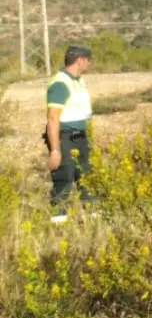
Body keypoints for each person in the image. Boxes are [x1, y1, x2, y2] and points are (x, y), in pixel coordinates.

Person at [45, 44, 94, 222]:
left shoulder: (78, 79)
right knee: (64, 179)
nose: (89, 64)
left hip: (80, 135)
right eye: (88, 60)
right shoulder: (60, 83)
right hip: (64, 136)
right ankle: (59, 221)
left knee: (86, 176)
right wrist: (55, 150)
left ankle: (92, 217)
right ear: (80, 60)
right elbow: (52, 118)